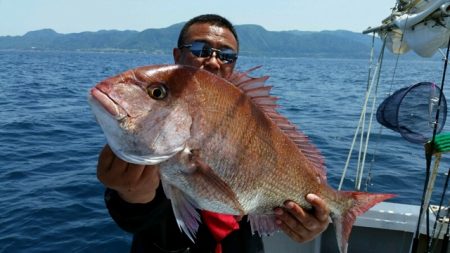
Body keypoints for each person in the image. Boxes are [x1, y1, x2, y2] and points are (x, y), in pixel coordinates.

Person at [97, 14, 330, 253]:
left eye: (227, 55)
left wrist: (310, 219)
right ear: (177, 56)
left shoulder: (250, 114)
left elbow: (270, 195)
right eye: (200, 49)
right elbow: (135, 217)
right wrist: (130, 196)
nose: (213, 61)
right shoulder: (156, 120)